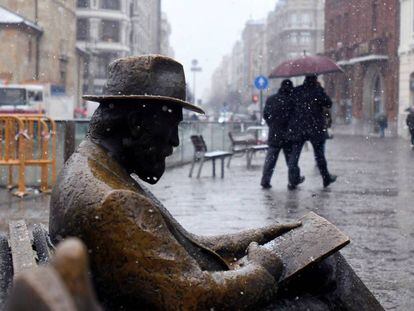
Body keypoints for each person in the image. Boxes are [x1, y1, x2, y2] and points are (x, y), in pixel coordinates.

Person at [49, 56, 382, 310]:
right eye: (172, 126)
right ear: (136, 123)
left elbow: (184, 244)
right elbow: (194, 296)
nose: (175, 143)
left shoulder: (93, 167)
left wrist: (256, 237)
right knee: (326, 274)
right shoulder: (114, 201)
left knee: (323, 265)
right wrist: (263, 268)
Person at [287, 75, 337, 189]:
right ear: (315, 81)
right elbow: (329, 103)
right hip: (315, 128)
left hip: (299, 128)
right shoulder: (317, 91)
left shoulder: (297, 91)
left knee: (294, 156)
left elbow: (290, 106)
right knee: (319, 156)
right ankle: (326, 178)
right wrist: (321, 91)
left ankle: (292, 180)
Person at [261, 79, 304, 189]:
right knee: (291, 161)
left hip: (275, 134)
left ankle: (265, 181)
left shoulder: (271, 99)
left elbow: (265, 115)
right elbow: (297, 118)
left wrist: (272, 124)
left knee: (270, 161)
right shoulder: (293, 100)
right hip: (288, 136)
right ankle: (293, 181)